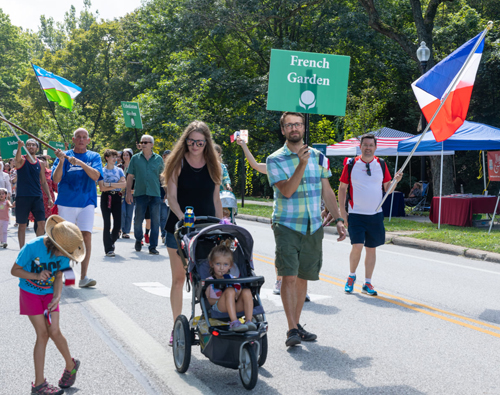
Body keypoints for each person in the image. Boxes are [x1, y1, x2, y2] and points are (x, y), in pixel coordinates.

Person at [267, 112, 346, 347]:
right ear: (283, 130)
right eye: (289, 125)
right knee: (288, 276)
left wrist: (340, 218)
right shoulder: (275, 159)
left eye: (298, 124)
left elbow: (327, 191)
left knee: (303, 277)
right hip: (287, 224)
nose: (294, 128)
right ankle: (291, 328)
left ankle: (296, 324)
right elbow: (287, 191)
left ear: (303, 128)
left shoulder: (320, 157)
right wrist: (301, 163)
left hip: (313, 225)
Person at [163, 120, 222, 345]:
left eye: (200, 142)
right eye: (191, 142)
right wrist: (182, 219)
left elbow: (216, 199)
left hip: (206, 228)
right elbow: (172, 198)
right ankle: (177, 325)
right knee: (179, 278)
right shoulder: (177, 163)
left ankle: (209, 323)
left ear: (206, 142)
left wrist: (220, 224)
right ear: (185, 141)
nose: (195, 146)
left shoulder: (213, 164)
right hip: (178, 229)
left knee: (207, 279)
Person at [11, 215, 84, 394]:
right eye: (63, 253)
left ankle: (70, 365)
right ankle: (39, 384)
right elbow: (14, 270)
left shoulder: (64, 250)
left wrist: (57, 296)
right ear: (54, 244)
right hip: (30, 293)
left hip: (49, 294)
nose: (65, 257)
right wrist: (36, 276)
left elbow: (60, 276)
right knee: (42, 334)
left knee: (54, 331)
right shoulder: (32, 247)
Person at [338, 133, 402, 297]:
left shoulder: (381, 164)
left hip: (375, 214)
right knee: (357, 246)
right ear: (360, 146)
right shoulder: (351, 164)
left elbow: (388, 189)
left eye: (371, 145)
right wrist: (342, 211)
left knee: (371, 249)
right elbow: (342, 188)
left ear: (375, 147)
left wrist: (395, 181)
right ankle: (351, 277)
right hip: (356, 213)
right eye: (365, 145)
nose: (368, 148)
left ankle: (367, 282)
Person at [52, 128, 103, 288]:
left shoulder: (94, 156)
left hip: (87, 202)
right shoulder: (64, 155)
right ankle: (66, 275)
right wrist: (61, 162)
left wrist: (80, 162)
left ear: (88, 140)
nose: (81, 139)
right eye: (78, 137)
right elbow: (56, 178)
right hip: (66, 202)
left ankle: (83, 276)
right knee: (65, 239)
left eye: (84, 137)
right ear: (73, 140)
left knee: (86, 236)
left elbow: (96, 176)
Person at [126, 135, 164, 255]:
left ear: (152, 144)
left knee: (155, 221)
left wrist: (167, 192)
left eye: (146, 142)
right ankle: (138, 239)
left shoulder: (158, 159)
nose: (143, 144)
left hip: (155, 194)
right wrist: (128, 192)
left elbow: (162, 177)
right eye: (142, 142)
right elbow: (130, 176)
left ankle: (153, 246)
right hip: (140, 193)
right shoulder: (135, 159)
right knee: (138, 220)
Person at [205, 240, 256, 332]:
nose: (221, 268)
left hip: (235, 306)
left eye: (225, 264)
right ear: (211, 264)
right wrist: (226, 299)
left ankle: (249, 321)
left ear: (230, 266)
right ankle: (234, 323)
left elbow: (239, 295)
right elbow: (207, 300)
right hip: (219, 308)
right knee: (230, 290)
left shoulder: (234, 278)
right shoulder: (209, 281)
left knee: (246, 291)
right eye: (218, 264)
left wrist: (237, 292)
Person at [15, 139, 54, 248]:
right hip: (23, 197)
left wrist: (50, 197)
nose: (31, 146)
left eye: (33, 145)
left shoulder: (40, 163)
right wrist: (19, 147)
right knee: (22, 225)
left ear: (37, 148)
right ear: (25, 147)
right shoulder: (22, 160)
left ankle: (38, 247)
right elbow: (17, 159)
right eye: (28, 145)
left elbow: (44, 181)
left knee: (41, 223)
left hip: (37, 196)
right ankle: (22, 250)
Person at [98, 149, 126, 257]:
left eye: (116, 157)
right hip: (106, 198)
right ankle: (108, 249)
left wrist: (109, 184)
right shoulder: (101, 171)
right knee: (107, 223)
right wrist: (116, 184)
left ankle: (111, 240)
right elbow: (102, 188)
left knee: (118, 223)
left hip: (117, 198)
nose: (115, 159)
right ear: (107, 158)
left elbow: (124, 185)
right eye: (112, 157)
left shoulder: (119, 170)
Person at [29, 156, 57, 234]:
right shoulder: (32, 172)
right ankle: (39, 241)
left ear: (46, 162)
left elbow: (56, 186)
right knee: (38, 222)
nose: (42, 162)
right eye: (39, 160)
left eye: (43, 160)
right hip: (36, 200)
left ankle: (47, 242)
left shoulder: (51, 172)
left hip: (48, 201)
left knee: (48, 222)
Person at [120, 148, 134, 239]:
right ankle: (119, 229)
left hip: (132, 192)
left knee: (129, 212)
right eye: (124, 155)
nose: (125, 157)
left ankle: (126, 231)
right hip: (121, 193)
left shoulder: (134, 167)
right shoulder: (119, 167)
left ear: (130, 156)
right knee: (122, 211)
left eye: (127, 155)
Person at [160, 150, 171, 244]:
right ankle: (164, 235)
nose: (166, 158)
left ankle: (169, 235)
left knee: (170, 216)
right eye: (165, 156)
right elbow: (162, 181)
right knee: (163, 216)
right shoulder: (160, 167)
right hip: (162, 195)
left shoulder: (175, 167)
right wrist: (166, 194)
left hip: (173, 196)